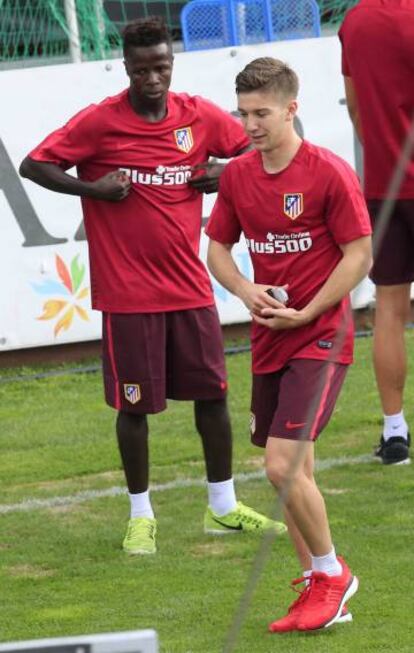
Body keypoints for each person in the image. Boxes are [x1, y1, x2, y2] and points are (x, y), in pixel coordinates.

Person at [19, 17, 286, 555]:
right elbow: (33, 165)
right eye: (142, 69)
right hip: (128, 295)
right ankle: (141, 515)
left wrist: (225, 173)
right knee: (135, 408)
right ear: (126, 68)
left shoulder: (197, 116)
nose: (152, 78)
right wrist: (93, 188)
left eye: (161, 66)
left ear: (171, 63)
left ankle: (223, 506)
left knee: (212, 397)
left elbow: (255, 147)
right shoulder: (100, 122)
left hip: (189, 288)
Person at [206, 57, 372, 632]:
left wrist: (309, 309)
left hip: (322, 335)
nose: (250, 125)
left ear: (291, 108)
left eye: (262, 113)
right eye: (243, 113)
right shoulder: (237, 176)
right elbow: (218, 251)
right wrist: (248, 290)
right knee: (297, 470)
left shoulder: (327, 172)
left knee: (281, 466)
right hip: (268, 338)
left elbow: (359, 255)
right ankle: (318, 592)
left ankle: (332, 575)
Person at [339, 0, 414, 465]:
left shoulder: (355, 21)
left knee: (389, 307)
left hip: (386, 185)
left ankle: (395, 432)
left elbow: (357, 112)